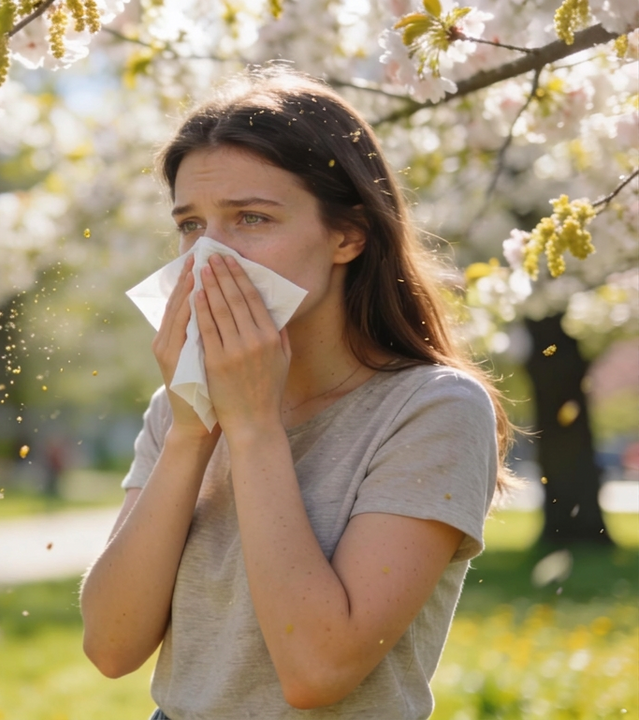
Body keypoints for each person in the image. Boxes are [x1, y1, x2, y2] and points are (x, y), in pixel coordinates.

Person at [78, 67, 515, 719]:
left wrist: (253, 430)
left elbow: (317, 671)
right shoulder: (180, 407)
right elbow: (111, 646)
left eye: (251, 218)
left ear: (348, 235)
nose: (210, 257)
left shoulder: (433, 410)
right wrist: (195, 429)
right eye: (192, 225)